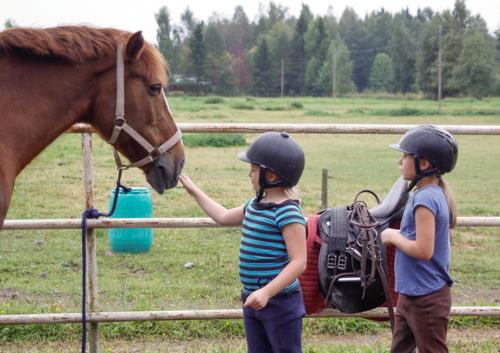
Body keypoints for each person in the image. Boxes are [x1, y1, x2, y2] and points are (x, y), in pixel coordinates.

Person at [179, 131, 307, 353]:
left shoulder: (288, 213)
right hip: (252, 298)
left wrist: (267, 292)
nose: (249, 175)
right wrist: (194, 191)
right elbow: (223, 217)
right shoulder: (254, 205)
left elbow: (299, 262)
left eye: (254, 170)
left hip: (280, 302)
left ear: (272, 176)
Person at [381, 125, 458, 353]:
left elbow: (424, 250)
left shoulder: (425, 200)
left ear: (423, 163)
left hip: (427, 299)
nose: (400, 162)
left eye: (405, 156)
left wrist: (393, 236)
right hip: (411, 295)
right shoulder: (427, 194)